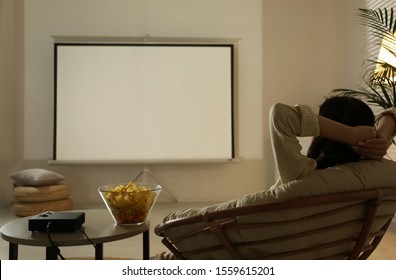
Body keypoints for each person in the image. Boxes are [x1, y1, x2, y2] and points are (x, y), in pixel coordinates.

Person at [152, 96, 396, 260]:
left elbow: (281, 114)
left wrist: (352, 135)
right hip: (328, 255)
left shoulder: (304, 177)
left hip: (268, 256)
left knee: (166, 259)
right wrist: (382, 137)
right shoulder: (385, 178)